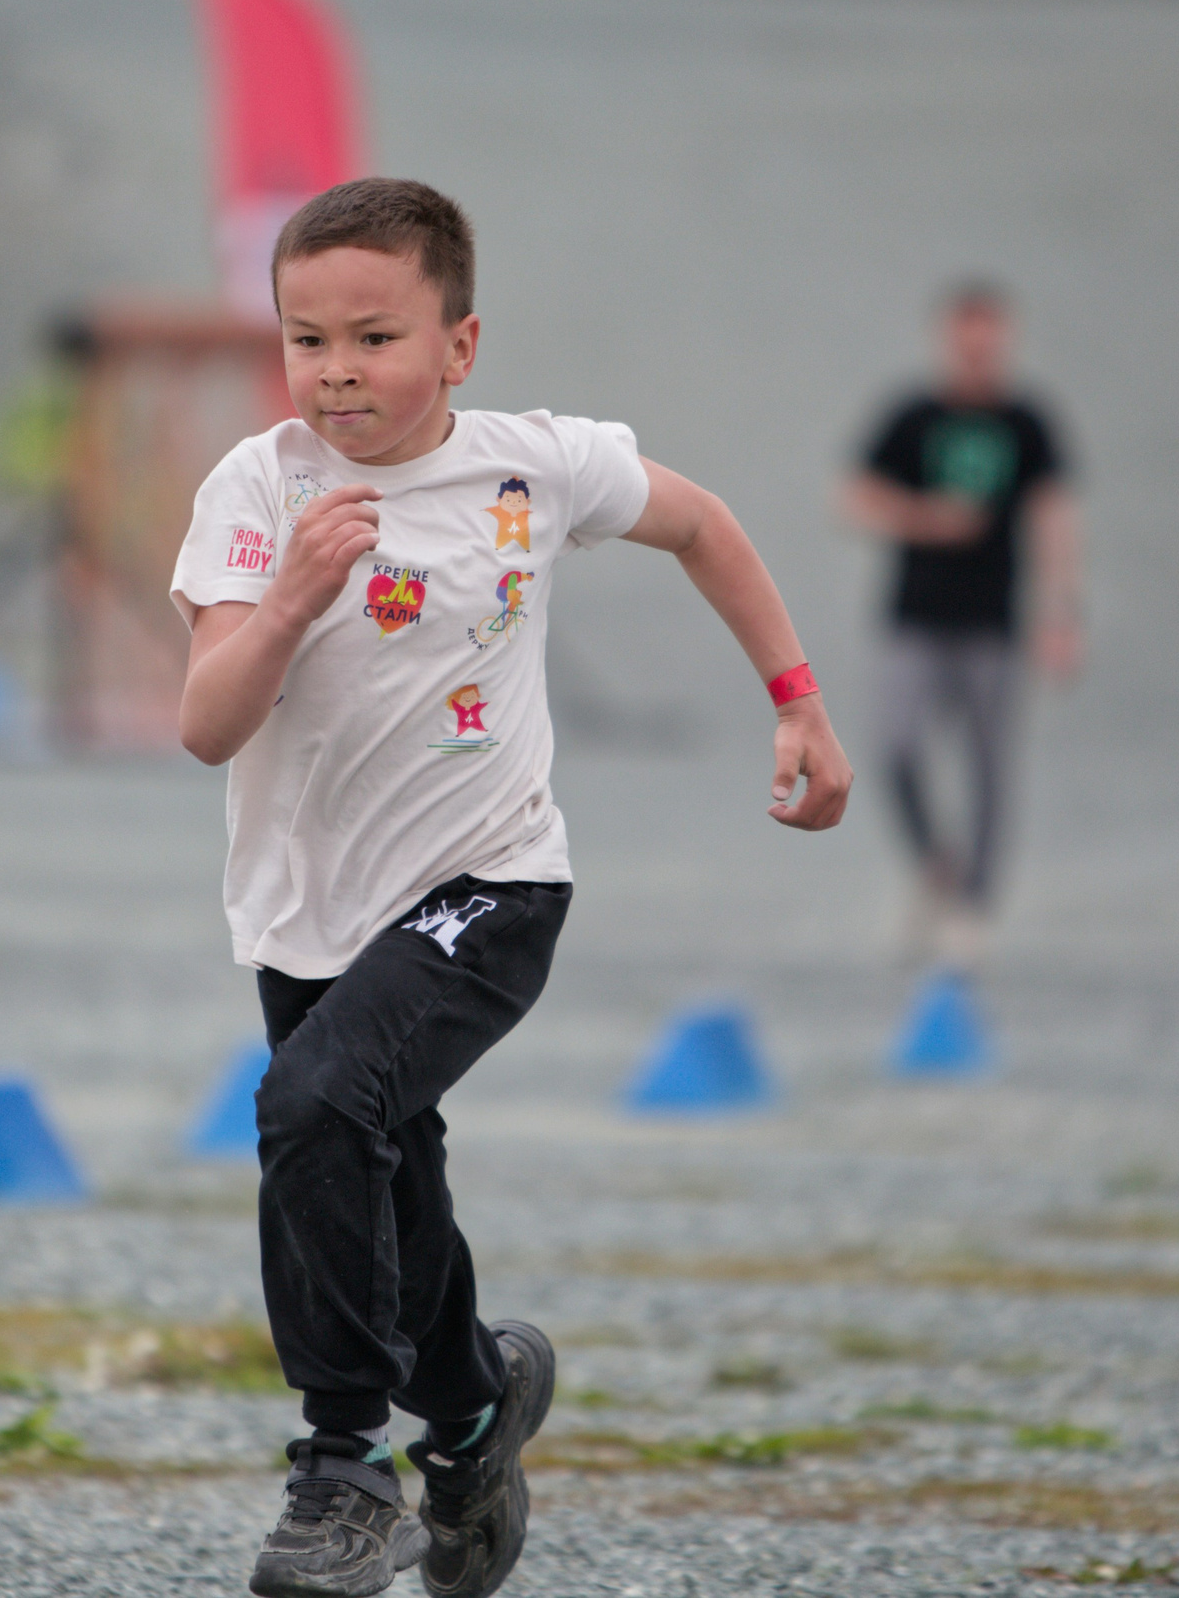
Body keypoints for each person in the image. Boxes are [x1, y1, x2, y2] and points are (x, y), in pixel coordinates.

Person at [169, 177, 852, 1598]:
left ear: (459, 346)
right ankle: (476, 1416)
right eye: (308, 341)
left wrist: (795, 700)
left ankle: (343, 1464)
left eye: (375, 336)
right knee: (385, 1171)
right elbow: (207, 722)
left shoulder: (537, 466)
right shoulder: (258, 489)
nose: (339, 372)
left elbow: (705, 525)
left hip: (491, 885)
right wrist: (292, 596)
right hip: (310, 910)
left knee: (311, 1106)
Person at [842, 282, 1082, 961]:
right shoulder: (913, 417)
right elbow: (855, 497)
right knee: (894, 746)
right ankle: (932, 867)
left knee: (989, 768)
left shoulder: (1027, 422)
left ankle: (972, 907)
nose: (978, 354)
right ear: (947, 341)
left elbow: (1055, 515)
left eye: (991, 342)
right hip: (914, 618)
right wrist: (926, 519)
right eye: (967, 340)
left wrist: (1061, 612)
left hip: (993, 624)